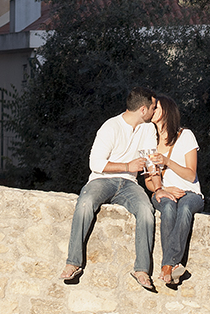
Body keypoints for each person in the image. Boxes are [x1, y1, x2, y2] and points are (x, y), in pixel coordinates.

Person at [63, 89, 160, 292]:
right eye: (153, 107)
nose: (155, 111)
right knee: (86, 202)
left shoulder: (148, 129)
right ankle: (73, 262)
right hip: (103, 180)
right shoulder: (111, 126)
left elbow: (150, 161)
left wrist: (159, 188)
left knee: (146, 210)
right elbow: (95, 163)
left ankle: (142, 269)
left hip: (130, 184)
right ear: (143, 109)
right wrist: (127, 166)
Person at [147, 95, 202, 291]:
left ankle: (168, 264)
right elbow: (147, 180)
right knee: (168, 207)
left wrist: (167, 161)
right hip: (164, 191)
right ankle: (172, 266)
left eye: (157, 107)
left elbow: (190, 174)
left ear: (167, 111)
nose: (152, 111)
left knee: (185, 207)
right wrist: (162, 189)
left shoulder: (185, 135)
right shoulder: (149, 140)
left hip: (190, 192)